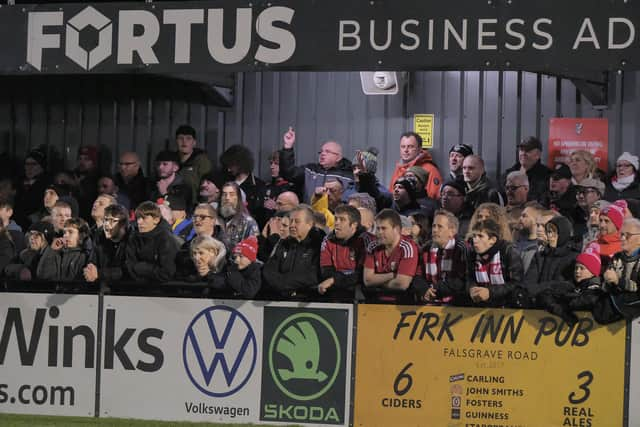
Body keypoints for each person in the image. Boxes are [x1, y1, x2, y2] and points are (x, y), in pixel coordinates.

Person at [569, 218, 640, 324]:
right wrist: (607, 282)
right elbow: (608, 287)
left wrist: (618, 281)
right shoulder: (617, 257)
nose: (623, 238)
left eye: (627, 235)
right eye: (621, 234)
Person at [279, 126, 353, 203]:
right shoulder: (310, 170)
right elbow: (288, 173)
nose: (323, 154)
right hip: (310, 214)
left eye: (327, 151)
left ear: (338, 157)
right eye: (321, 151)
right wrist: (288, 146)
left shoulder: (348, 176)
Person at [263, 205, 325, 296]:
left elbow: (313, 276)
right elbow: (269, 270)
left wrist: (284, 284)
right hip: (282, 298)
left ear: (309, 224)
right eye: (291, 221)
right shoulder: (283, 243)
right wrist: (282, 286)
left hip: (309, 301)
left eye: (297, 221)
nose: (292, 225)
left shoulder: (320, 245)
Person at [466, 219, 524, 307]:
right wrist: (472, 289)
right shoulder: (472, 254)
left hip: (508, 308)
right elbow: (468, 279)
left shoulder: (508, 252)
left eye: (480, 236)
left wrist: (490, 292)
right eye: (474, 236)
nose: (475, 240)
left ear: (492, 240)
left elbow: (517, 284)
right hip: (480, 308)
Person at [363, 209, 419, 295]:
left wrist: (377, 284)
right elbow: (368, 280)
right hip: (375, 300)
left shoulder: (407, 248)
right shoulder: (372, 247)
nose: (379, 232)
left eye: (384, 228)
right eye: (378, 228)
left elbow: (402, 284)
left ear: (396, 229)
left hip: (401, 302)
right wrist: (393, 275)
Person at [318, 205, 370, 296]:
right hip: (335, 291)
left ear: (354, 225)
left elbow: (362, 275)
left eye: (342, 219)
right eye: (336, 219)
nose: (337, 223)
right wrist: (336, 279)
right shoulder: (328, 240)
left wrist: (335, 279)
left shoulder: (365, 240)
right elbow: (326, 272)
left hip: (360, 293)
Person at [419, 210, 469, 304]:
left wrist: (435, 289)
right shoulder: (426, 248)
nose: (434, 230)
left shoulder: (461, 248)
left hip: (457, 304)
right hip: (428, 301)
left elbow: (462, 281)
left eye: (440, 226)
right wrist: (424, 289)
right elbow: (417, 275)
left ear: (452, 231)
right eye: (434, 226)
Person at [125, 201, 179, 283]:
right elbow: (129, 266)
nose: (139, 222)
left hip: (162, 291)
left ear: (156, 220)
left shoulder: (166, 239)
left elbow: (167, 272)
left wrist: (142, 268)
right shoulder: (133, 237)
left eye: (144, 218)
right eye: (138, 218)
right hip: (136, 289)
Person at [220, 144, 269, 227]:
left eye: (231, 166)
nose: (228, 169)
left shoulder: (258, 186)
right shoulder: (225, 183)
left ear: (240, 164)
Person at [83, 204, 131, 283]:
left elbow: (129, 271)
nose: (107, 224)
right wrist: (90, 270)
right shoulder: (99, 235)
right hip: (102, 288)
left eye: (113, 221)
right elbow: (92, 261)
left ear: (123, 224)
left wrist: (100, 273)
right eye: (105, 220)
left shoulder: (132, 238)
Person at [389, 132, 443, 200]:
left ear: (420, 149)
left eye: (410, 146)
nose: (406, 150)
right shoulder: (399, 169)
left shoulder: (430, 170)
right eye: (403, 146)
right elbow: (391, 194)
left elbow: (434, 198)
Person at [525, 216, 578, 284]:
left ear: (563, 233)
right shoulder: (540, 255)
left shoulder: (573, 257)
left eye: (554, 232)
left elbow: (562, 284)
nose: (550, 235)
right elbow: (530, 280)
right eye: (549, 231)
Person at [36, 217, 90, 282]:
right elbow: (42, 275)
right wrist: (51, 250)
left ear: (81, 235)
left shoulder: (85, 256)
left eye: (70, 232)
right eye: (64, 232)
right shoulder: (55, 253)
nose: (65, 235)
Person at [503, 136, 550, 201]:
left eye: (528, 150)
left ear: (538, 155)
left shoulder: (547, 176)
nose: (523, 153)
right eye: (521, 150)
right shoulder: (508, 174)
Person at [14, 148, 51, 228]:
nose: (29, 168)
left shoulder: (48, 185)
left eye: (34, 164)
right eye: (27, 164)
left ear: (42, 167)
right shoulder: (18, 182)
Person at [175, 124, 212, 203]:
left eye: (188, 138)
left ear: (194, 142)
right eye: (180, 138)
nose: (184, 141)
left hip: (194, 205)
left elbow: (207, 185)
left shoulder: (201, 161)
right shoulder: (171, 161)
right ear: (176, 141)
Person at [218, 182, 259, 250]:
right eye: (224, 194)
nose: (227, 198)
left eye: (232, 194)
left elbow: (251, 252)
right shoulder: (215, 220)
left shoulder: (249, 223)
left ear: (238, 198)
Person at [74, 146, 100, 221]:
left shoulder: (98, 178)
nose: (82, 162)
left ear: (93, 162)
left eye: (86, 159)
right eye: (80, 159)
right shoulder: (74, 174)